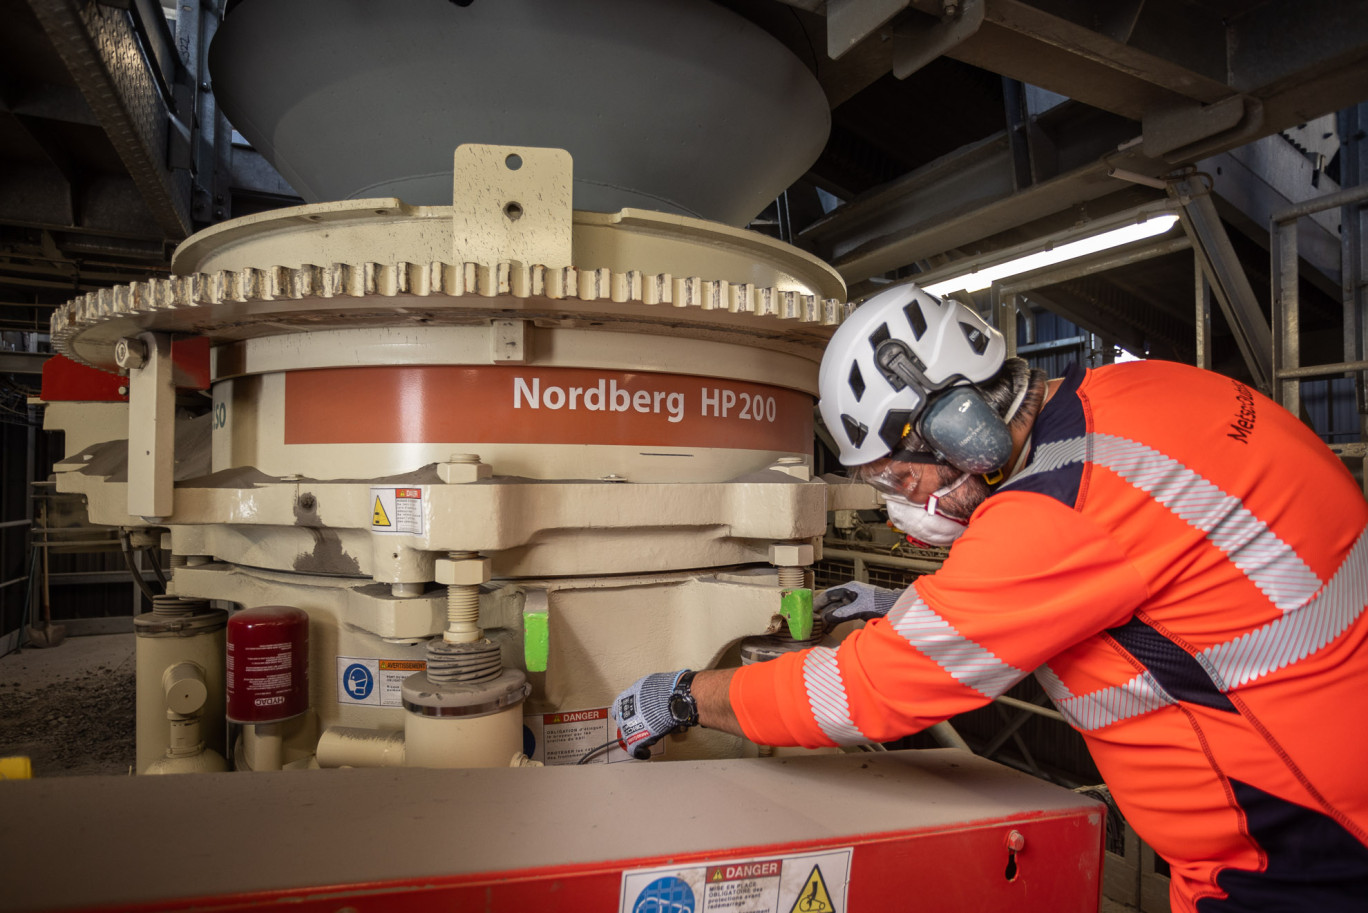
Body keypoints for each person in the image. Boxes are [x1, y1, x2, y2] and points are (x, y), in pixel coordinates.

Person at [611, 283, 1368, 912]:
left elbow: (856, 692)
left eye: (899, 479)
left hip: (1298, 857)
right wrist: (888, 599)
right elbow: (1145, 580)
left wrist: (680, 695)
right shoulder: (1139, 393)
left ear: (961, 428)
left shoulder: (1058, 507)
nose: (900, 505)